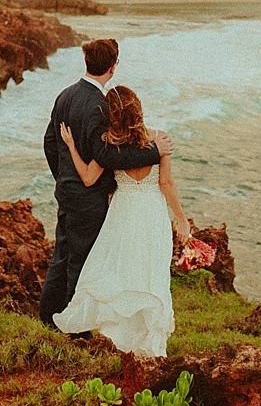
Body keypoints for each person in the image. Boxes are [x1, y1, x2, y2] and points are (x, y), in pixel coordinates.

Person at [38, 39, 172, 328]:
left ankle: (47, 317)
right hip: (88, 195)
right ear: (113, 68)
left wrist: (63, 178)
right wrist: (153, 152)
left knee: (62, 254)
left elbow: (50, 142)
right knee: (82, 262)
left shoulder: (65, 96)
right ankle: (77, 328)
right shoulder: (99, 106)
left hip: (67, 190)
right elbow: (105, 154)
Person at [52, 85, 192, 357]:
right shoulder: (159, 139)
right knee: (150, 276)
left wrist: (71, 147)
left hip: (123, 213)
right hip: (152, 213)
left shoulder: (108, 144)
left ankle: (118, 341)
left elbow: (89, 178)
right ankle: (148, 345)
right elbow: (167, 183)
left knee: (120, 273)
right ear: (138, 109)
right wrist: (181, 219)